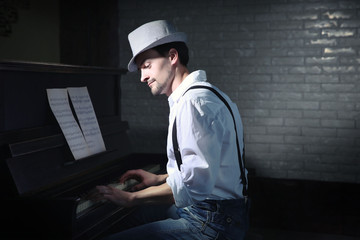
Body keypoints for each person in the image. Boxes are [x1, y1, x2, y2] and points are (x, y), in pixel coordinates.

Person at [96, 20, 250, 240]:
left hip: (210, 222)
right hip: (216, 213)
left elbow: (195, 188)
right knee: (125, 220)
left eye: (147, 65)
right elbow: (205, 169)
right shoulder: (204, 95)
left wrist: (130, 198)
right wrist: (160, 179)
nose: (142, 77)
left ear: (172, 56)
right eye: (141, 69)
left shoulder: (193, 104)